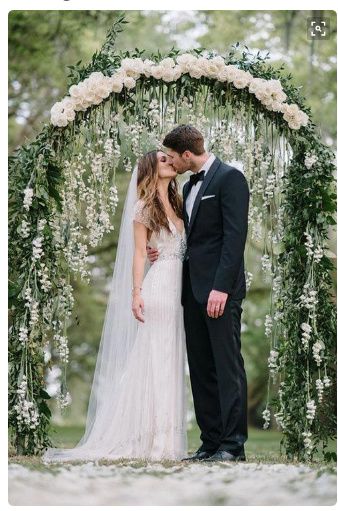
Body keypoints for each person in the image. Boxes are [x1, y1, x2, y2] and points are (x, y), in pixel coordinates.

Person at [42, 150, 188, 463]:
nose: (171, 163)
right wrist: (137, 293)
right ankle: (155, 441)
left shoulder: (178, 202)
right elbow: (139, 253)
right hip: (160, 286)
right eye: (163, 160)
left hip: (180, 288)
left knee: (171, 359)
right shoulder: (144, 208)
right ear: (151, 169)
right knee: (156, 359)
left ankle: (167, 439)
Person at [147, 125, 249, 462]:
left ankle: (233, 446)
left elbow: (234, 240)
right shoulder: (188, 186)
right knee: (202, 367)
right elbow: (189, 238)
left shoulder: (230, 179)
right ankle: (210, 443)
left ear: (186, 154)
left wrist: (221, 287)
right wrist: (160, 250)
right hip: (190, 293)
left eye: (173, 156)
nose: (171, 162)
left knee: (227, 365)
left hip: (220, 291)